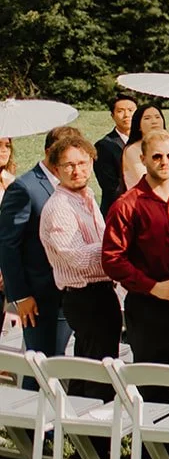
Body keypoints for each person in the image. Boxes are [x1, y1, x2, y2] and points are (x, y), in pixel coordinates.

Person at [102, 132, 169, 403]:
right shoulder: (127, 204)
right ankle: (152, 447)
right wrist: (153, 287)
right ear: (144, 158)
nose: (164, 162)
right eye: (157, 156)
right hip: (149, 305)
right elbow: (112, 259)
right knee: (154, 388)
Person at [39, 136, 121, 396]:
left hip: (100, 294)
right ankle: (95, 434)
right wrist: (118, 246)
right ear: (56, 169)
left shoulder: (85, 198)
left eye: (83, 163)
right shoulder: (60, 208)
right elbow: (78, 258)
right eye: (68, 165)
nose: (77, 171)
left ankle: (78, 431)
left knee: (88, 365)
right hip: (86, 297)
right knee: (99, 372)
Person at [0, 125, 86, 358]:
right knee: (42, 364)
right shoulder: (24, 188)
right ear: (50, 152)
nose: (73, 165)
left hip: (70, 292)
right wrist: (20, 295)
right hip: (39, 295)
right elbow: (8, 246)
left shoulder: (74, 185)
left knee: (59, 363)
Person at [94, 94, 138, 214]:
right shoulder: (104, 146)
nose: (127, 115)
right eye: (120, 111)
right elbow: (111, 188)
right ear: (113, 116)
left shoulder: (145, 143)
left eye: (131, 110)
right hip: (118, 210)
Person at [120, 104, 169, 192]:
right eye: (147, 118)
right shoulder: (132, 150)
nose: (154, 121)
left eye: (157, 117)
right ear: (138, 125)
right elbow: (146, 180)